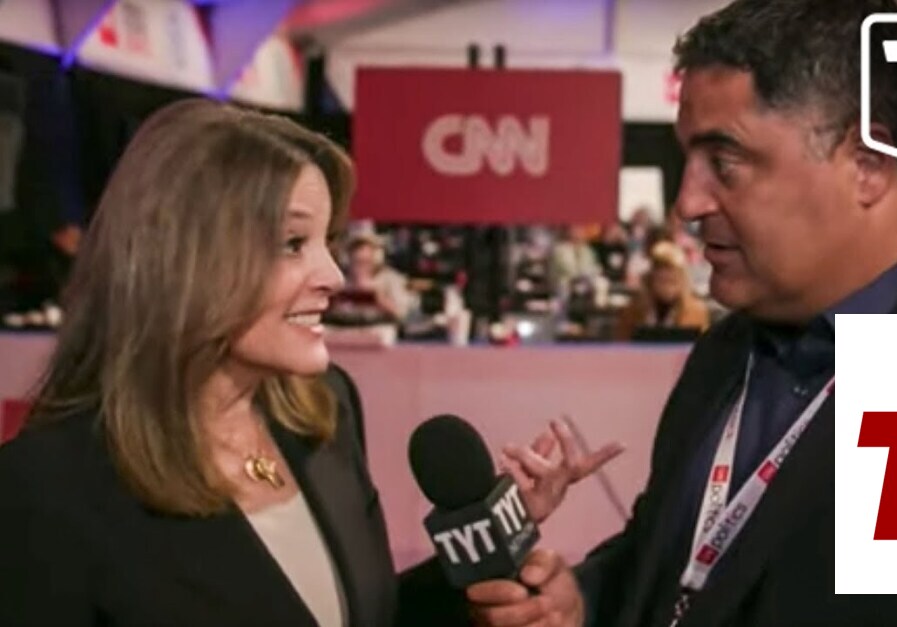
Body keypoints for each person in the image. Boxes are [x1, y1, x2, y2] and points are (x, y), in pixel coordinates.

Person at [467, 1, 897, 626]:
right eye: (687, 159)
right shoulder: (729, 348)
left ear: (867, 165)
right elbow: (675, 562)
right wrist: (581, 603)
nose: (687, 202)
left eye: (724, 162)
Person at [0, 99, 616, 627]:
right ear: (186, 260)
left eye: (329, 241)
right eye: (293, 243)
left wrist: (482, 571)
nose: (335, 275)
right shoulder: (45, 487)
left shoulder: (325, 409)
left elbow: (361, 614)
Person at [614, 241, 709, 341]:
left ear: (682, 281)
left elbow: (702, 346)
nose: (667, 288)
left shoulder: (696, 312)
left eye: (672, 281)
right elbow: (621, 345)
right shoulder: (632, 311)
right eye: (662, 281)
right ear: (650, 280)